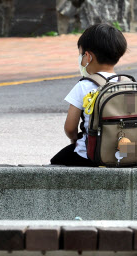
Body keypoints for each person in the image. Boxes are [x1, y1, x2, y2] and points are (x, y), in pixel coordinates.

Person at [50, 24, 127, 166]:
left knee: (56, 162)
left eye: (81, 54)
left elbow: (70, 127)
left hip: (91, 155)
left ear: (88, 56)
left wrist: (75, 140)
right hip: (125, 154)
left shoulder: (84, 85)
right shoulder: (127, 85)